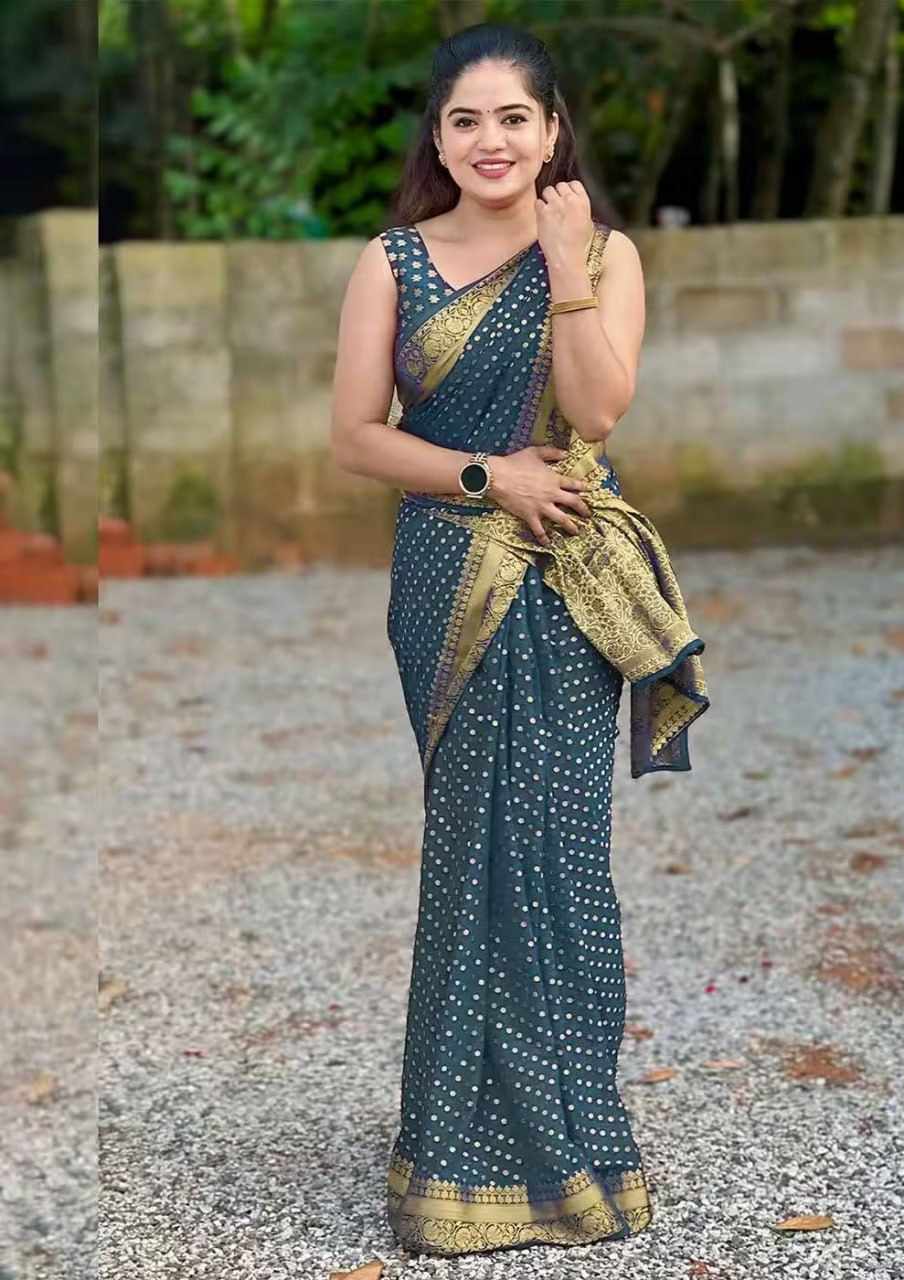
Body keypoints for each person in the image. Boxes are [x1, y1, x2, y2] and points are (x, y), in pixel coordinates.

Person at [330, 21, 709, 1260]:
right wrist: (490, 475)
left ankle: (571, 1144)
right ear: (437, 138)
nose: (488, 140)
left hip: (567, 578)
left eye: (512, 119)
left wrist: (561, 262)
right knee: (472, 858)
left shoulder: (601, 253)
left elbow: (597, 406)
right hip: (453, 573)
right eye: (465, 120)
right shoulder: (394, 260)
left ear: (551, 133)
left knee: (557, 856)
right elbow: (356, 436)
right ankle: (456, 1157)